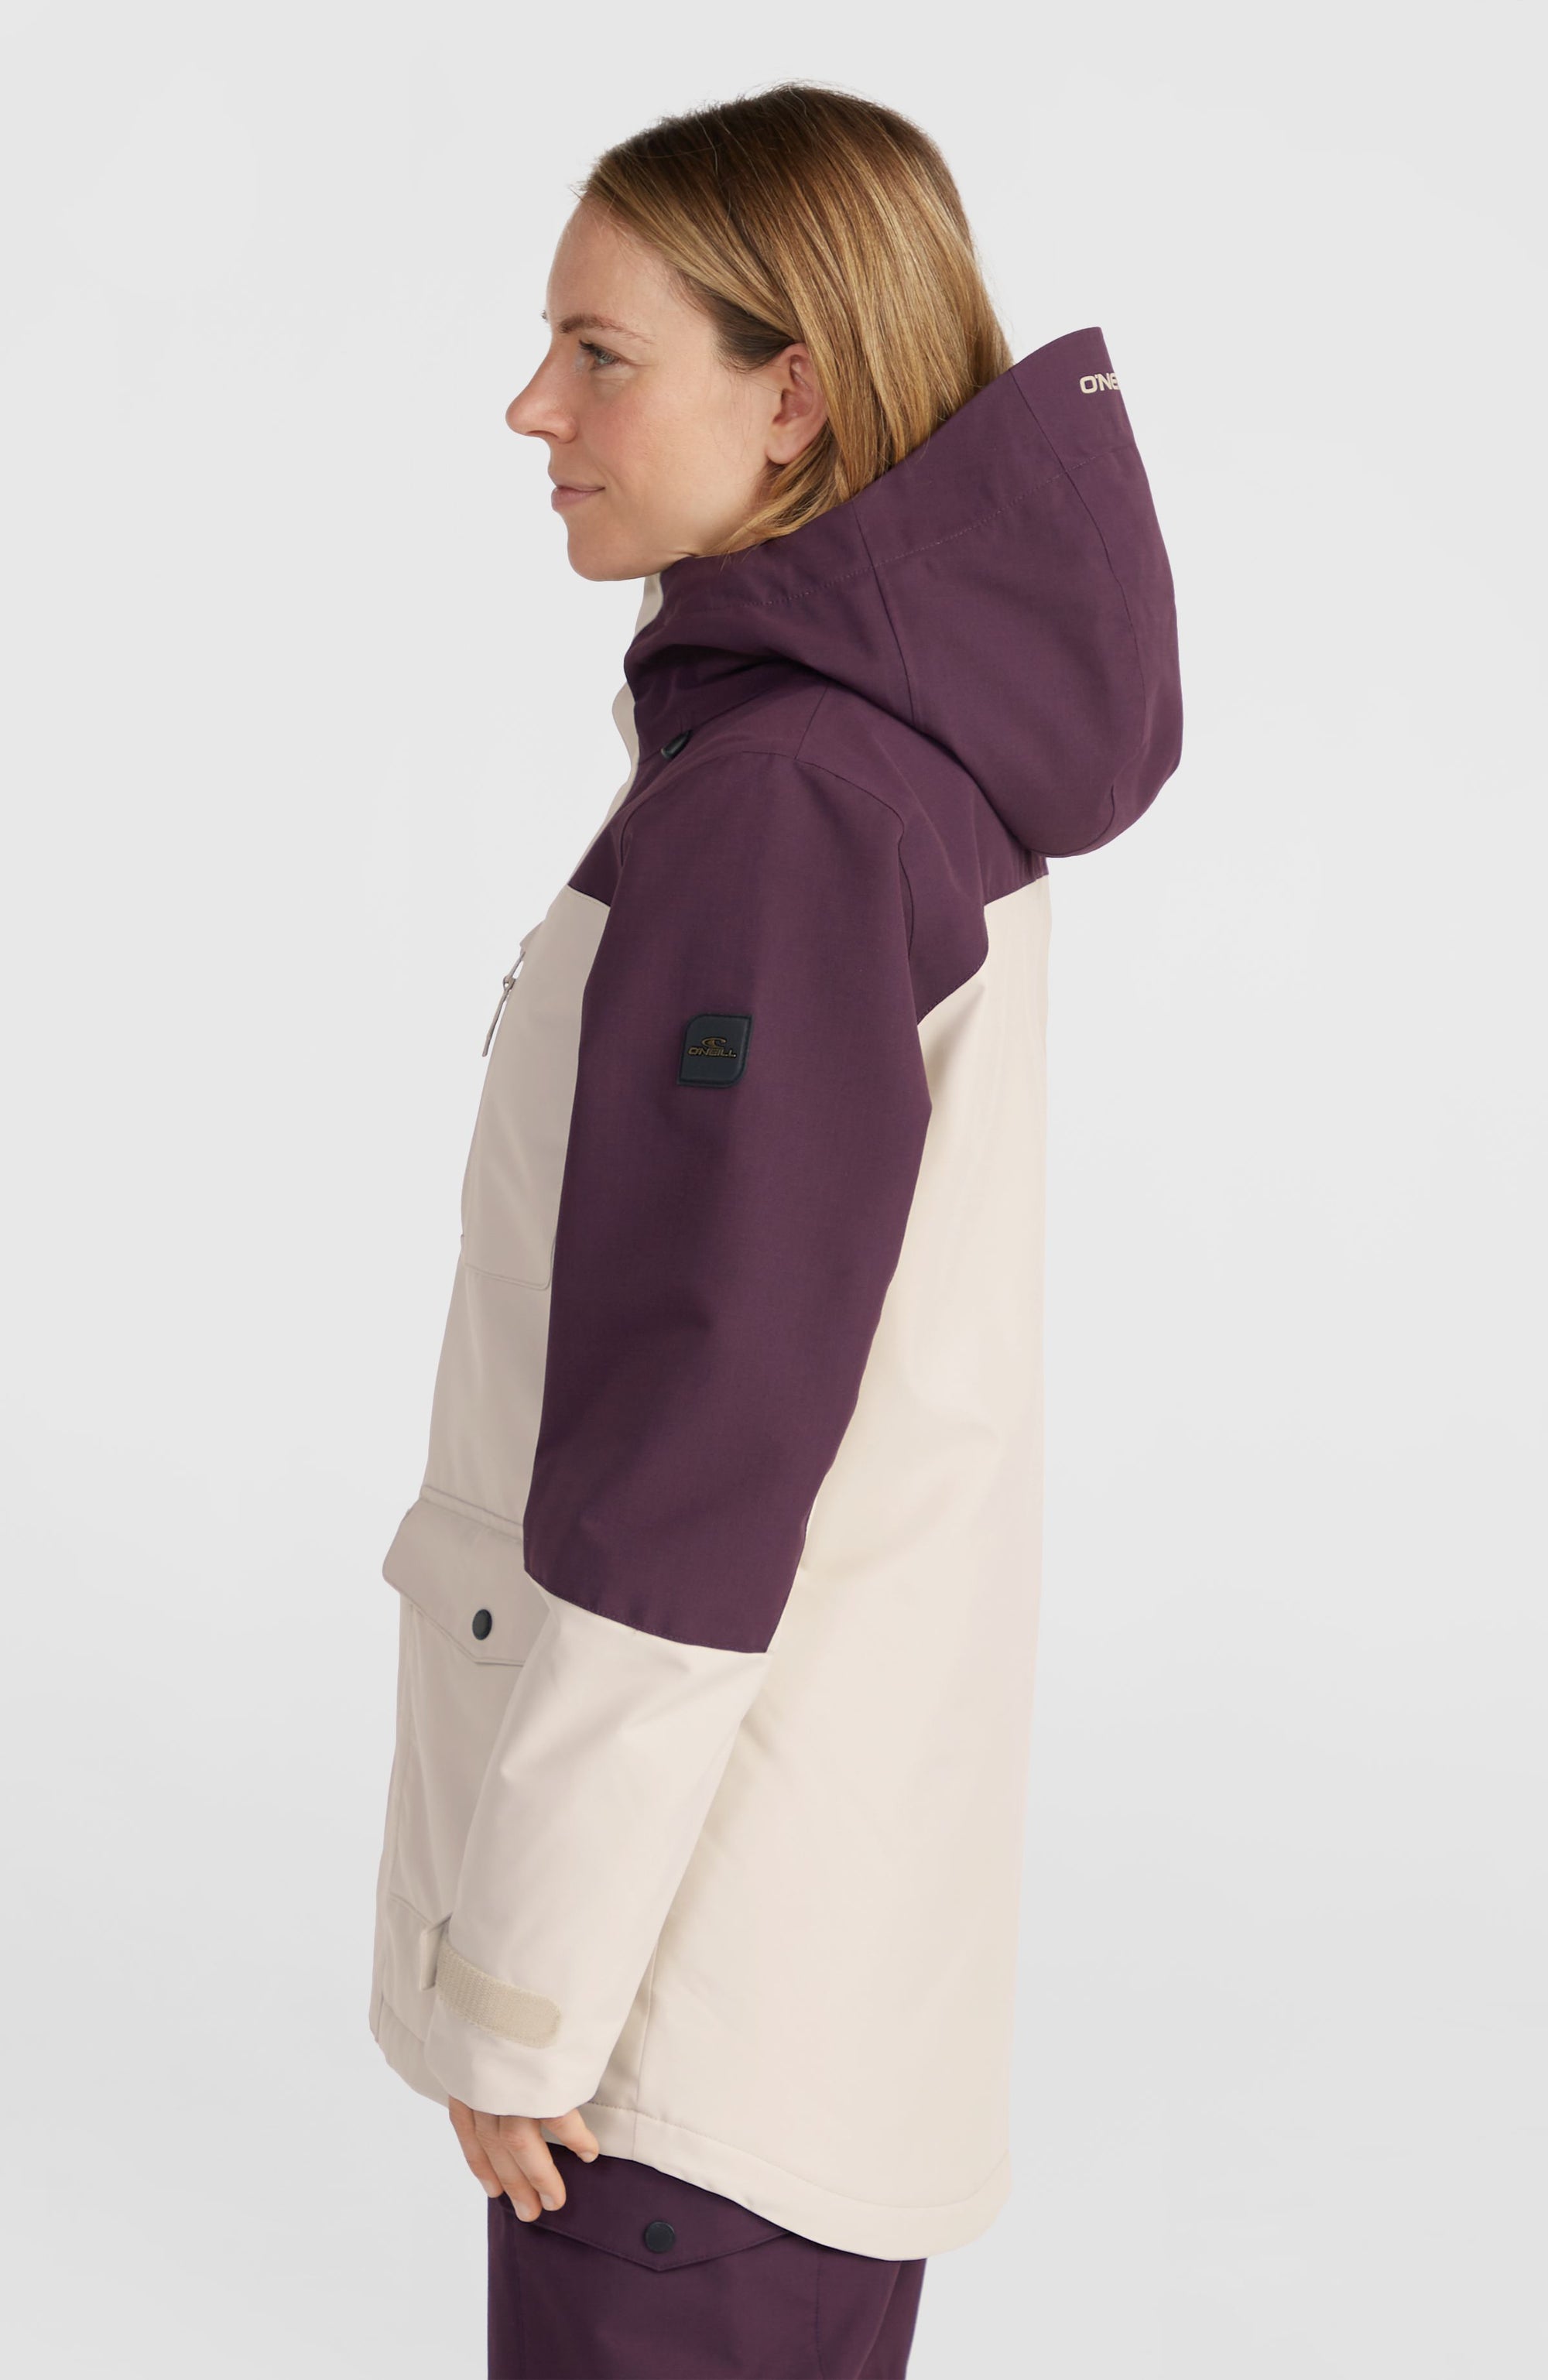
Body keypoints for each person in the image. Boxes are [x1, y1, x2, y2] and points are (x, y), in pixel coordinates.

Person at [368, 80, 1183, 2380]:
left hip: (672, 2029)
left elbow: (698, 1447)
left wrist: (523, 1980)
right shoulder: (875, 769)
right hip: (796, 1972)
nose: (533, 408)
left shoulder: (787, 809)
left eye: (599, 352)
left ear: (793, 393)